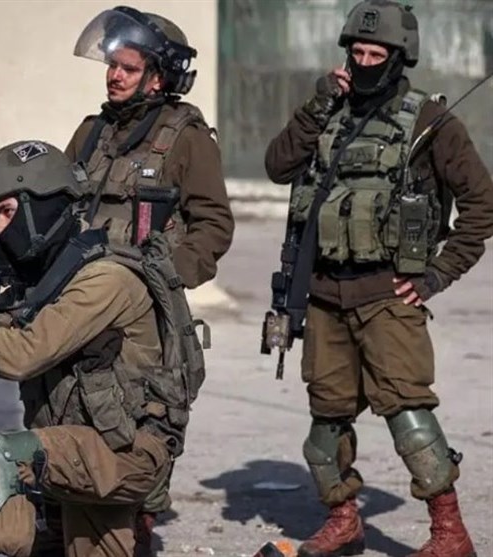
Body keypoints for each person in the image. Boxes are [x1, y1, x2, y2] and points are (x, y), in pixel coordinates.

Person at [0, 140, 206, 557]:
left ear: (38, 206)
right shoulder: (52, 278)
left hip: (124, 454)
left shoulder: (104, 280)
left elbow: (21, 355)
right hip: (72, 455)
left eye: (6, 213)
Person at [264, 2, 493, 556]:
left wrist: (437, 275)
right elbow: (277, 166)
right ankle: (344, 520)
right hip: (323, 297)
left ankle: (450, 533)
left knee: (409, 418)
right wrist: (318, 104)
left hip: (387, 296)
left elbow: (482, 206)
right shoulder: (328, 111)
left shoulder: (430, 121)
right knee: (325, 427)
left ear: (398, 58)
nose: (364, 62)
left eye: (376, 54)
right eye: (357, 52)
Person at [66, 8, 233, 549]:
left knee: (140, 420)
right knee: (68, 409)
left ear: (158, 77)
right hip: (80, 304)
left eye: (128, 68)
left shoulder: (186, 138)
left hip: (144, 316)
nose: (114, 76)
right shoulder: (91, 133)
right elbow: (56, 210)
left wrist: (167, 277)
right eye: (112, 65)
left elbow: (213, 224)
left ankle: (136, 529)